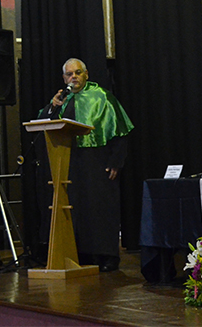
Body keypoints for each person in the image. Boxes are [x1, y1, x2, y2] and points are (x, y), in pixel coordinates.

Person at [37, 58, 134, 272]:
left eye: (78, 73)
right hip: (69, 161)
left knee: (100, 208)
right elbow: (44, 123)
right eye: (69, 74)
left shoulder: (102, 96)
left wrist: (116, 161)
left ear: (86, 74)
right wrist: (53, 106)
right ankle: (80, 254)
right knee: (76, 208)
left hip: (97, 161)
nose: (74, 77)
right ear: (64, 78)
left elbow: (120, 131)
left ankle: (106, 256)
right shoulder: (63, 100)